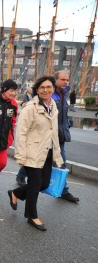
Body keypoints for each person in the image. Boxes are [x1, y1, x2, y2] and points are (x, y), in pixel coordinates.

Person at [9, 76, 64, 231]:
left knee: (44, 184)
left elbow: (53, 133)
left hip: (47, 152)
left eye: (49, 87)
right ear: (37, 90)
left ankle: (16, 193)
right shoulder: (30, 108)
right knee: (34, 185)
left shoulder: (54, 106)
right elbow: (21, 132)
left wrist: (57, 155)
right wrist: (20, 155)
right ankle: (31, 215)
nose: (45, 90)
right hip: (32, 151)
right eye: (42, 87)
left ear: (53, 88)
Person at [52, 71, 79, 203]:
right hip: (48, 136)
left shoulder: (64, 94)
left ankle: (64, 191)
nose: (66, 82)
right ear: (55, 80)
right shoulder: (50, 94)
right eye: (63, 80)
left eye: (67, 80)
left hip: (60, 136)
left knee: (61, 163)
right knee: (37, 162)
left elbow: (63, 114)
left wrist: (68, 123)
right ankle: (22, 175)